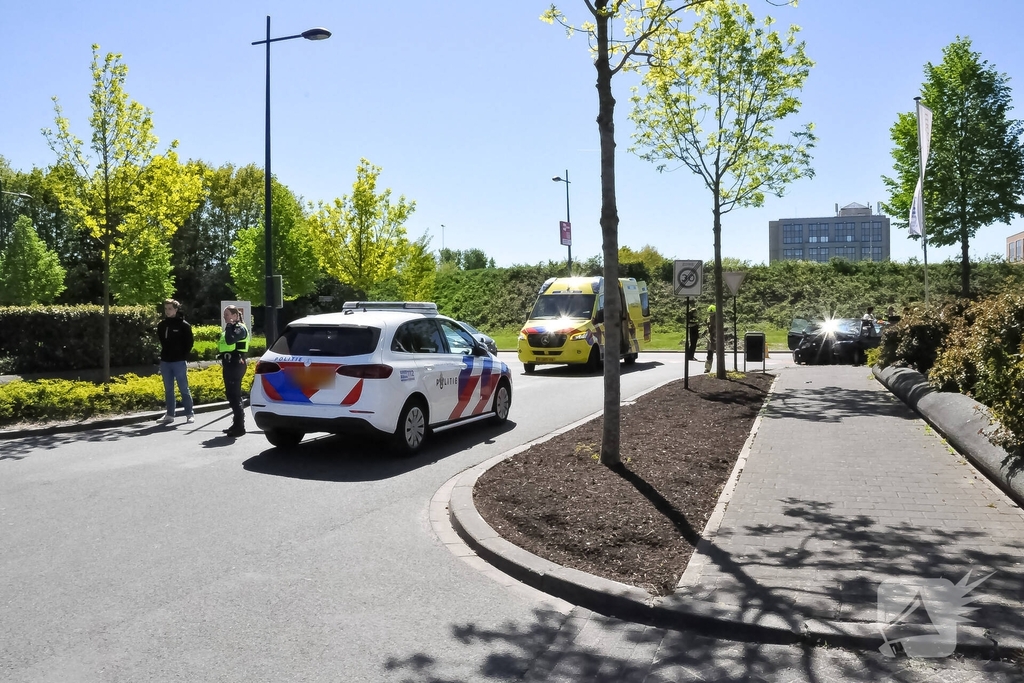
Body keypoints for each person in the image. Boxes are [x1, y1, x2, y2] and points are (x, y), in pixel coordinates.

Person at [156, 299, 195, 425]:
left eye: (170, 308)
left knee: (183, 388)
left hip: (178, 361)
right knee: (168, 389)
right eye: (166, 308)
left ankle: (189, 414)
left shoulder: (184, 325)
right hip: (166, 361)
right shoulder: (162, 325)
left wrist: (183, 356)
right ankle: (170, 414)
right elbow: (162, 341)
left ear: (176, 309)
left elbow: (189, 343)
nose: (167, 311)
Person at [219, 305, 250, 438]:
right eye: (224, 314)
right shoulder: (232, 328)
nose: (225, 316)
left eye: (227, 314)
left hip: (236, 363)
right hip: (229, 363)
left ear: (235, 316)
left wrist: (229, 326)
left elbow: (230, 339)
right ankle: (236, 424)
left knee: (234, 395)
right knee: (230, 394)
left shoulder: (239, 328)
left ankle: (240, 426)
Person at [704, 304, 718, 373]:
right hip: (710, 338)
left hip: (717, 338)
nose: (711, 314)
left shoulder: (718, 319)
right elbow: (708, 327)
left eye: (712, 313)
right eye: (710, 313)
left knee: (719, 354)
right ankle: (707, 368)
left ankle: (720, 368)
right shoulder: (709, 318)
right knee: (709, 354)